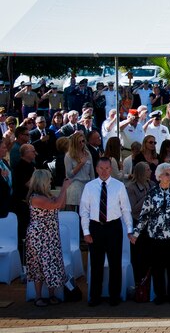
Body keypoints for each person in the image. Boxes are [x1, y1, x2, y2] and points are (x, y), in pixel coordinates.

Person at [130, 163, 170, 305]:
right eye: (167, 174)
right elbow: (144, 215)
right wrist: (136, 234)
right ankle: (160, 295)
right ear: (159, 176)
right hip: (155, 237)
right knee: (157, 267)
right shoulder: (152, 193)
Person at [79, 157, 133, 306]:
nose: (104, 172)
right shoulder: (89, 187)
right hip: (95, 227)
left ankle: (114, 296)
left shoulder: (119, 186)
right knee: (96, 264)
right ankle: (95, 296)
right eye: (101, 168)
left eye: (107, 168)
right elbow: (84, 211)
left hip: (113, 227)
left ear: (111, 169)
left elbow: (126, 209)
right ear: (96, 169)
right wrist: (86, 232)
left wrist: (129, 229)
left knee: (115, 263)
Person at [26, 169, 71, 307]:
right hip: (40, 236)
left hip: (50, 235)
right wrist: (64, 188)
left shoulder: (46, 195)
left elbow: (61, 205)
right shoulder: (36, 198)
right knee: (39, 266)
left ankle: (51, 295)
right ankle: (38, 297)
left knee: (52, 264)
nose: (51, 180)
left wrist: (64, 191)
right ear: (43, 181)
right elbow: (56, 205)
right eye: (49, 179)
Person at [126, 161, 152, 285]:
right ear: (141, 172)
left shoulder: (152, 184)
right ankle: (138, 281)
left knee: (149, 253)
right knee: (138, 254)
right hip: (138, 224)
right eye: (148, 170)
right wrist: (147, 197)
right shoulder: (131, 188)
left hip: (151, 224)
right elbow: (132, 208)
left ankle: (148, 279)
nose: (151, 171)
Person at [64, 131, 94, 211]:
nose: (81, 144)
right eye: (79, 142)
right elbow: (69, 174)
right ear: (75, 143)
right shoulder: (69, 155)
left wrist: (93, 185)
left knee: (86, 212)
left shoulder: (87, 154)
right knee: (72, 213)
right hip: (75, 185)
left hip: (87, 185)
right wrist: (81, 164)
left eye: (83, 141)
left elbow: (92, 172)